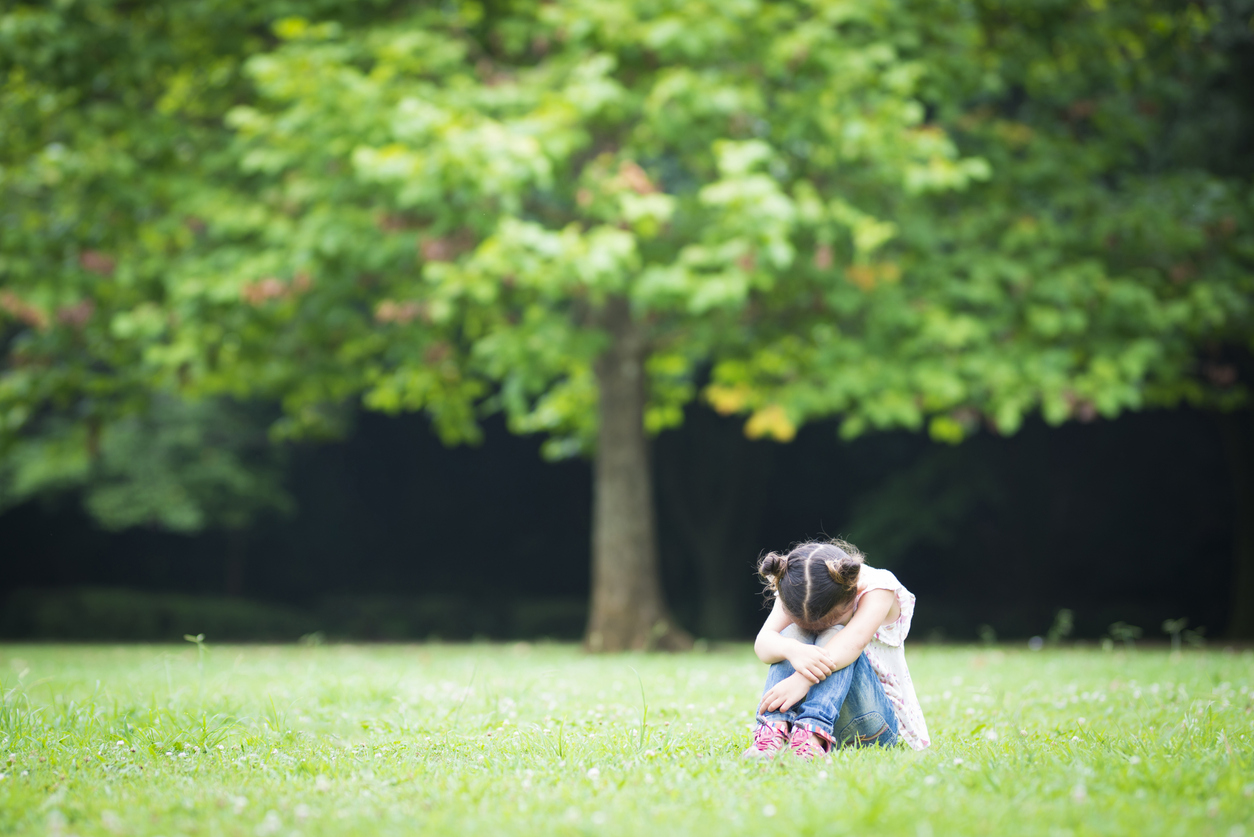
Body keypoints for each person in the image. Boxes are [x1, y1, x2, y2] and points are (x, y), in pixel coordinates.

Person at [742, 539, 930, 760]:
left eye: (830, 618)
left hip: (869, 727)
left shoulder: (878, 588)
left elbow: (852, 644)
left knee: (835, 635)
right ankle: (774, 732)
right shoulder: (797, 588)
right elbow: (763, 644)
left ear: (852, 593)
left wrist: (801, 680)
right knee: (790, 635)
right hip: (803, 722)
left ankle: (812, 737)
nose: (816, 629)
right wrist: (791, 649)